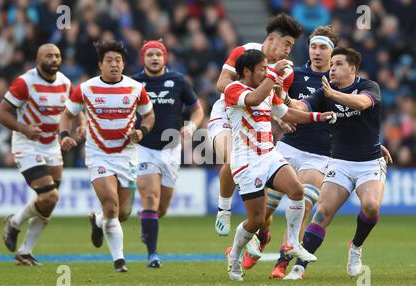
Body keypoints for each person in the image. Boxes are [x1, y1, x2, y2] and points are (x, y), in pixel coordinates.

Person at [224, 49, 337, 281]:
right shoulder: (234, 90)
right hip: (246, 162)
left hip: (268, 155)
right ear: (247, 71)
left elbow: (289, 114)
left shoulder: (267, 93)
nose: (266, 72)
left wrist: (319, 116)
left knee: (297, 191)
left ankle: (292, 243)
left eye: (268, 68)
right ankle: (234, 253)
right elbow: (254, 99)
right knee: (256, 219)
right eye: (262, 69)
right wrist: (274, 74)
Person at [283, 47, 386, 280]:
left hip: (369, 163)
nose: (333, 69)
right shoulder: (325, 93)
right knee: (323, 212)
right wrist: (285, 97)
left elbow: (360, 104)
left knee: (371, 206)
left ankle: (356, 247)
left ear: (352, 68)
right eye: (332, 65)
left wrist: (332, 96)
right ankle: (299, 268)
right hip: (339, 162)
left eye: (338, 64)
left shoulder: (369, 87)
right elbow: (301, 107)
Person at [59, 40, 155, 272]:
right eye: (109, 61)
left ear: (123, 64)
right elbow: (67, 114)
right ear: (100, 64)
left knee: (122, 213)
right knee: (111, 205)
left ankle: (98, 221)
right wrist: (64, 135)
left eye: (119, 60)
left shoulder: (135, 88)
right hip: (98, 154)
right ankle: (119, 261)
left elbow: (149, 116)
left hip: (127, 156)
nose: (114, 65)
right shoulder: (86, 88)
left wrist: (141, 131)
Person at [209, 12, 304, 237]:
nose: (289, 50)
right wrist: (266, 79)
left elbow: (274, 102)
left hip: (254, 123)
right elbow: (221, 83)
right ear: (271, 39)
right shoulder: (244, 51)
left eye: (292, 46)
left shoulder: (287, 71)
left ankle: (257, 224)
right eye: (286, 44)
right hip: (226, 115)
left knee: (259, 180)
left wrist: (280, 117)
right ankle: (224, 209)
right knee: (233, 159)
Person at [0, 44, 84, 266]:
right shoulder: (25, 82)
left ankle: (24, 251)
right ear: (38, 60)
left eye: (57, 55)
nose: (54, 59)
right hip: (27, 144)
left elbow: (75, 108)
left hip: (51, 145)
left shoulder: (65, 82)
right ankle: (14, 222)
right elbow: (1, 113)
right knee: (51, 196)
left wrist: (81, 125)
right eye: (49, 56)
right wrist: (24, 129)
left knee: (48, 203)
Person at [130, 40, 204, 268]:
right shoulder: (134, 82)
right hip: (144, 149)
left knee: (161, 209)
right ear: (144, 58)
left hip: (171, 150)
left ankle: (148, 226)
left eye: (158, 54)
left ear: (165, 57)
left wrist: (191, 127)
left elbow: (197, 109)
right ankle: (152, 254)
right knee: (150, 198)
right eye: (150, 54)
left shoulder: (178, 81)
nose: (154, 58)